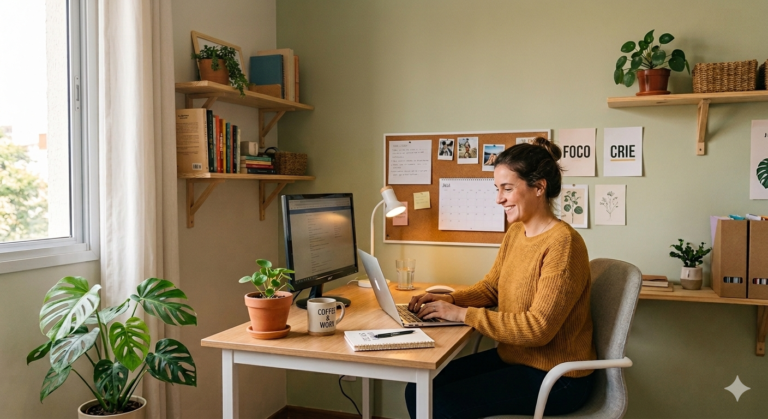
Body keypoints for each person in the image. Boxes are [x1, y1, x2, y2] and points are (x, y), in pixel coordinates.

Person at [404, 137, 595, 419]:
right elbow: (492, 288)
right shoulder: (517, 232)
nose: (498, 199)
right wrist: (448, 300)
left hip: (558, 377)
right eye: (497, 189)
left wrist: (460, 313)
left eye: (507, 188)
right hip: (516, 359)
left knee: (441, 404)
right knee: (417, 388)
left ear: (539, 187)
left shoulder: (563, 244)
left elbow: (538, 329)